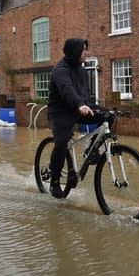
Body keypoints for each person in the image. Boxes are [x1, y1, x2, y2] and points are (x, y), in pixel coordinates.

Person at [47, 38, 96, 199]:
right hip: (60, 112)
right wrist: (79, 104)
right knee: (61, 143)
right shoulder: (60, 70)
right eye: (83, 50)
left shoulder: (81, 70)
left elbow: (84, 92)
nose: (86, 53)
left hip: (78, 108)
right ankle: (54, 182)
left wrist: (88, 105)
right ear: (74, 52)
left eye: (86, 49)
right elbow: (67, 90)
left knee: (108, 117)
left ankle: (92, 150)